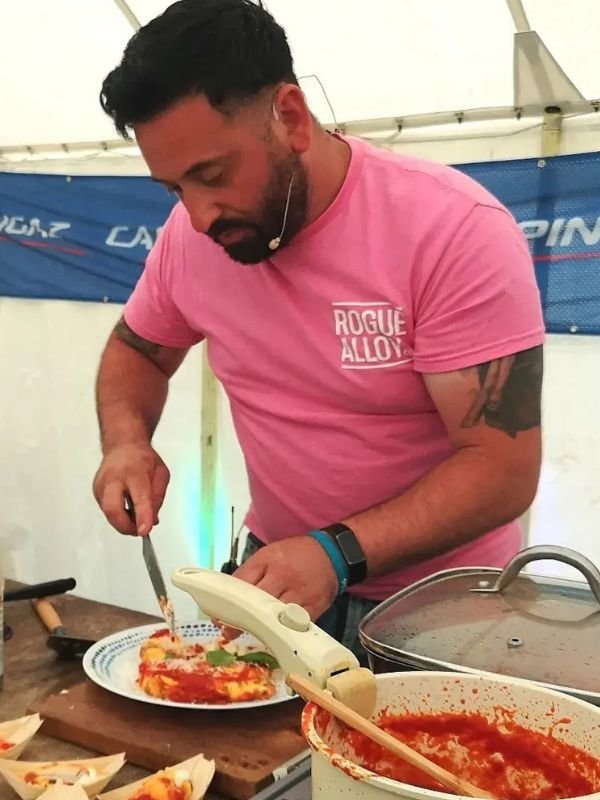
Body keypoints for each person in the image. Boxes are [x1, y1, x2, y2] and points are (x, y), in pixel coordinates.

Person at [93, 0, 544, 661]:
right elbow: (135, 351)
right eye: (174, 189)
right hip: (276, 577)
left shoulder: (453, 231)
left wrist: (336, 554)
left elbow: (503, 469)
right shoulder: (190, 243)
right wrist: (126, 442)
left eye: (213, 175)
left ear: (292, 119)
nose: (197, 216)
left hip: (443, 609)